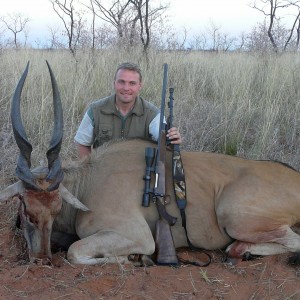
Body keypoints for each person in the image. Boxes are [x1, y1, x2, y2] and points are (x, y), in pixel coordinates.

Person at [74, 62, 182, 159]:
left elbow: (163, 139)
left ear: (140, 86)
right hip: (103, 173)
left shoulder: (153, 114)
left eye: (132, 83)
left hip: (137, 175)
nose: (126, 88)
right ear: (114, 83)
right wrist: (90, 171)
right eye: (121, 82)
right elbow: (83, 143)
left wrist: (171, 139)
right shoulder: (95, 110)